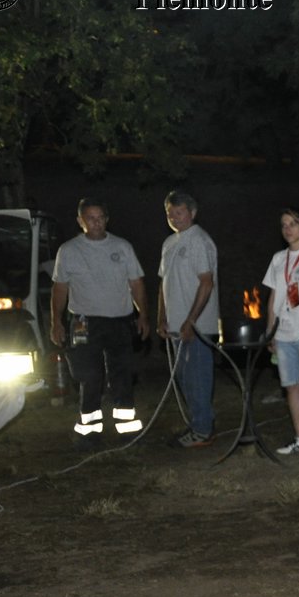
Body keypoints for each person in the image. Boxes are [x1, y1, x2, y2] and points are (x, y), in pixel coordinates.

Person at [49, 198, 150, 447]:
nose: (96, 223)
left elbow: (136, 284)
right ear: (80, 221)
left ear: (107, 219)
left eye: (100, 217)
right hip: (84, 322)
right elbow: (60, 288)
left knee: (123, 374)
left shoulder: (122, 247)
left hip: (120, 321)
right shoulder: (69, 250)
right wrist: (56, 322)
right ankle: (89, 433)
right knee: (89, 375)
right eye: (90, 218)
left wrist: (144, 315)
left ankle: (127, 431)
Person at [157, 190, 219, 448]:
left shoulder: (199, 240)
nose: (174, 217)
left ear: (192, 213)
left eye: (179, 212)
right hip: (175, 325)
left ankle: (203, 429)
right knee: (183, 377)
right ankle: (198, 423)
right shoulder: (169, 243)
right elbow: (163, 283)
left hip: (197, 326)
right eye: (170, 213)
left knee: (198, 377)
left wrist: (191, 321)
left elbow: (206, 283)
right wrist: (161, 317)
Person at [262, 207, 299, 457]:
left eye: (293, 224)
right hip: (283, 332)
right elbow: (274, 295)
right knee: (291, 386)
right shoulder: (278, 258)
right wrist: (270, 330)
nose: (288, 229)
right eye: (284, 224)